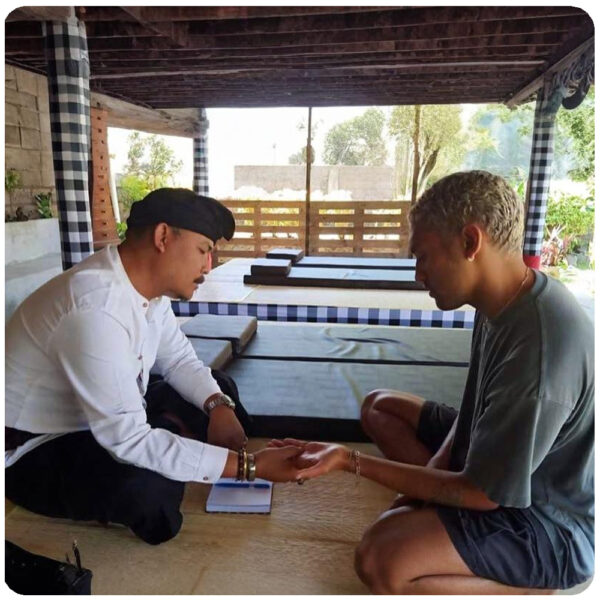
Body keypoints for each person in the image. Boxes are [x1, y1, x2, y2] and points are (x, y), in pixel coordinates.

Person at [271, 171, 594, 593]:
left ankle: (528, 589)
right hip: (496, 455)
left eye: (422, 257)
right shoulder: (500, 301)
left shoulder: (539, 346)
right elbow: (471, 414)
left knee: (380, 558)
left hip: (545, 523)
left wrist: (352, 462)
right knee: (380, 406)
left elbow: (482, 494)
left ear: (469, 243)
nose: (418, 275)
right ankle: (442, 510)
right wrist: (422, 486)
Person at [6, 188, 303, 545]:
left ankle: (173, 436)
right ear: (163, 237)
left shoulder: (149, 292)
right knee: (150, 494)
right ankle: (171, 437)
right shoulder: (95, 306)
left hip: (102, 414)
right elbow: (127, 440)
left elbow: (178, 359)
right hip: (36, 448)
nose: (208, 267)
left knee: (220, 388)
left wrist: (218, 407)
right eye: (203, 250)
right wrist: (249, 467)